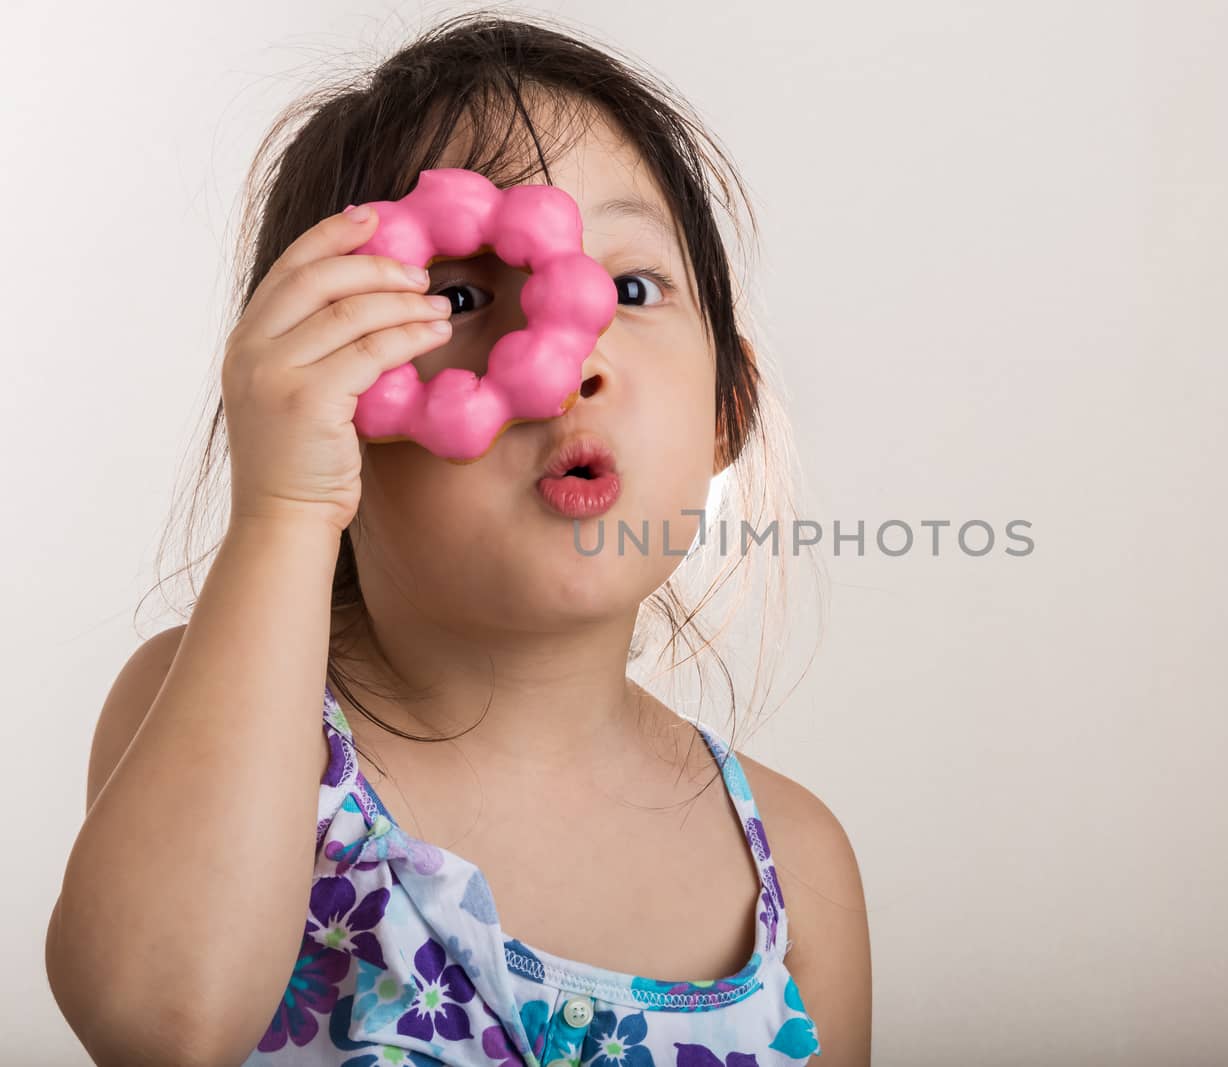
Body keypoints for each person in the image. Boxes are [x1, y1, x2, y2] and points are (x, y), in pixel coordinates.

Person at [45, 12, 870, 1065]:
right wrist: (284, 509)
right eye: (462, 296)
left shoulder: (796, 867)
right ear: (338, 400)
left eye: (630, 288)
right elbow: (163, 1024)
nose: (570, 358)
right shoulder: (241, 726)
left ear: (728, 410)